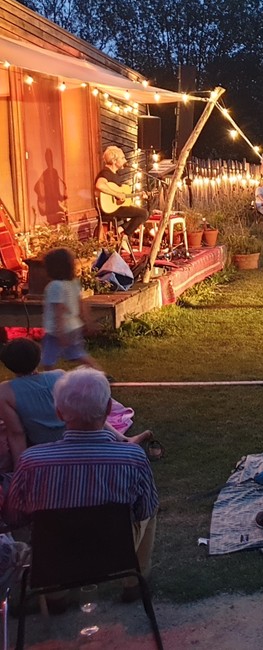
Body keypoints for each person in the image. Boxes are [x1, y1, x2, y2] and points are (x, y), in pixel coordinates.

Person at [3, 368, 159, 602]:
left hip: (54, 557)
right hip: (116, 554)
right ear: (108, 410)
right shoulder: (132, 457)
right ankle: (134, 583)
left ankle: (55, 596)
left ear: (59, 413)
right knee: (151, 510)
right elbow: (143, 510)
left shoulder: (30, 461)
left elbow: (16, 518)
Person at [0, 338, 152, 467]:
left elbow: (16, 434)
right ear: (38, 357)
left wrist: (20, 469)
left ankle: (124, 440)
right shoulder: (59, 375)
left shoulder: (5, 391)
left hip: (43, 447)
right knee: (89, 408)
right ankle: (123, 439)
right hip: (77, 436)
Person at [40, 248, 101, 371]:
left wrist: (60, 333)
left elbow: (59, 311)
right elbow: (81, 304)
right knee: (78, 354)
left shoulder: (54, 287)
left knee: (47, 360)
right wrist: (87, 321)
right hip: (74, 326)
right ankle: (100, 373)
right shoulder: (74, 283)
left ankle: (51, 382)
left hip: (56, 331)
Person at [95, 145, 149, 239]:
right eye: (122, 158)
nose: (125, 160)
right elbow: (99, 185)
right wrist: (116, 194)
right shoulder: (106, 173)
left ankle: (120, 231)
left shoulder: (116, 175)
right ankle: (125, 235)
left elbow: (120, 198)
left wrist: (138, 195)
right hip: (107, 211)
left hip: (115, 208)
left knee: (141, 213)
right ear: (114, 161)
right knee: (143, 213)